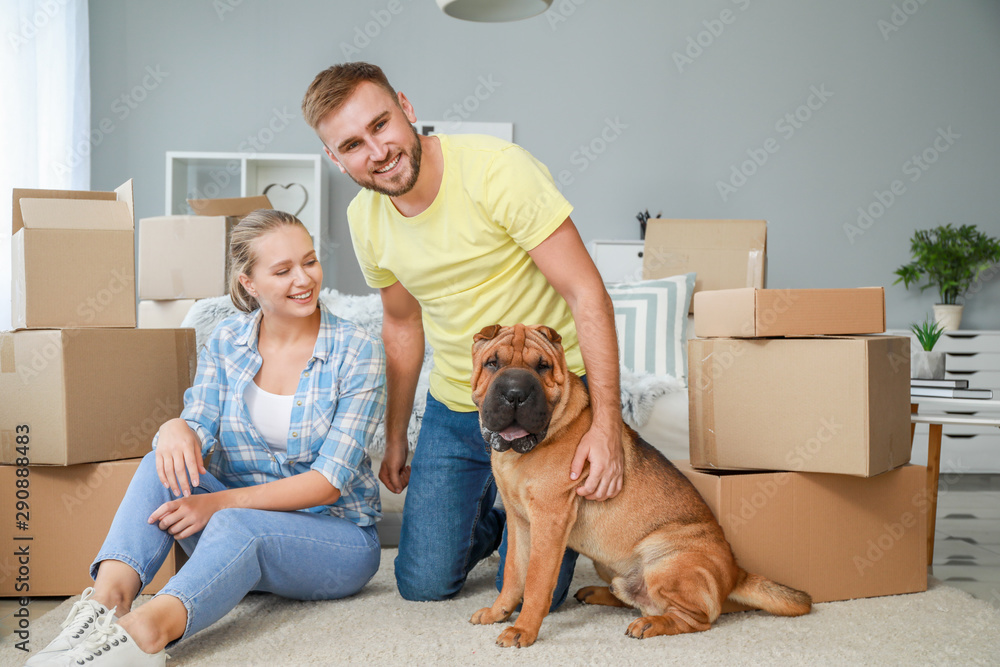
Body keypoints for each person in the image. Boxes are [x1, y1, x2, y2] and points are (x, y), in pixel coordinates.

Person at [301, 62, 624, 608]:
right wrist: (398, 432)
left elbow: (585, 293)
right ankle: (503, 510)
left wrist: (607, 427)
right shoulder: (366, 219)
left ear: (406, 107)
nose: (377, 152)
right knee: (423, 584)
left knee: (525, 599)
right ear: (335, 159)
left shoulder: (498, 171)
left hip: (550, 396)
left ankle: (523, 501)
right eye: (353, 145)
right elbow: (402, 324)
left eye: (381, 125)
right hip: (458, 401)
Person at [26, 210, 386, 666]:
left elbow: (327, 482)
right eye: (282, 270)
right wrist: (173, 428)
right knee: (161, 462)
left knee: (239, 523)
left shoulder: (358, 351)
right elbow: (197, 422)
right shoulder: (227, 340)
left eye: (309, 261)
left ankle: (144, 636)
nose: (304, 279)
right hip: (226, 530)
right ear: (249, 282)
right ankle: (104, 606)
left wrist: (216, 504)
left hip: (337, 540)